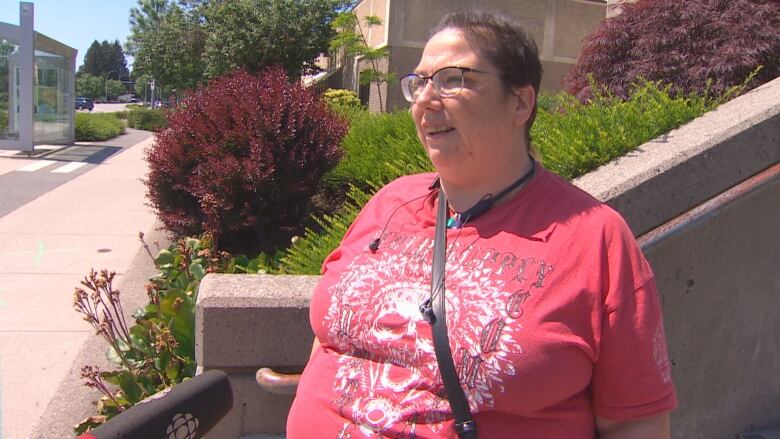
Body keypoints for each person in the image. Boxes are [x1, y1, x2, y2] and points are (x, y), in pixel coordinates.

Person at [286, 9, 677, 438]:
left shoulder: (595, 240)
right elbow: (328, 338)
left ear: (520, 103)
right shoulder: (389, 201)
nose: (425, 100)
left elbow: (635, 421)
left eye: (454, 79)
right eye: (419, 83)